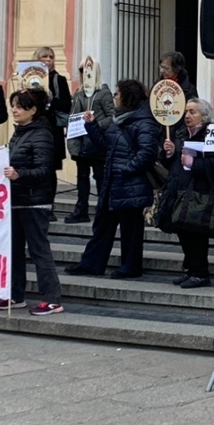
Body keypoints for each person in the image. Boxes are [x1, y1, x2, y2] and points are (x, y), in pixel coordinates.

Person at [67, 80, 158, 280]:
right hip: (113, 183)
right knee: (102, 226)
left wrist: (126, 169)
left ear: (128, 97)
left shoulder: (144, 122)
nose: (115, 97)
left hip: (130, 184)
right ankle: (91, 263)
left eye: (118, 93)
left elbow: (147, 153)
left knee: (131, 230)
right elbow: (105, 145)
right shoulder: (119, 120)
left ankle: (131, 266)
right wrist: (91, 126)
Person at [0, 89, 65, 316]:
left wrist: (19, 175)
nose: (14, 110)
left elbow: (44, 170)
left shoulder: (42, 135)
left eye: (19, 106)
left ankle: (52, 298)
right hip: (17, 199)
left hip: (35, 201)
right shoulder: (20, 133)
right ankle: (16, 294)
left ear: (33, 110)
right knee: (14, 250)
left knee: (39, 250)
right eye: (13, 105)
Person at [160, 99, 214, 289]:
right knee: (183, 231)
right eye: (186, 112)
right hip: (180, 189)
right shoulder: (181, 133)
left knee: (196, 234)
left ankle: (200, 273)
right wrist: (170, 154)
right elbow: (174, 164)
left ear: (204, 116)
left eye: (192, 112)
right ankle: (191, 270)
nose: (187, 116)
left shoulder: (213, 135)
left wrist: (193, 163)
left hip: (201, 193)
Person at [66, 78, 116, 224]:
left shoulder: (103, 93)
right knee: (82, 177)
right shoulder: (79, 93)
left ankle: (104, 211)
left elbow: (111, 117)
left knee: (100, 177)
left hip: (96, 142)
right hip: (81, 143)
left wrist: (94, 125)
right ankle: (81, 210)